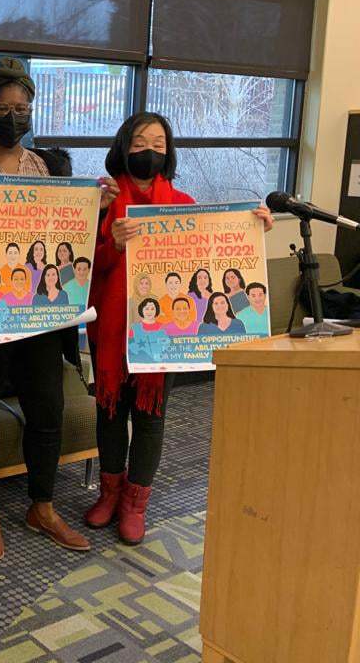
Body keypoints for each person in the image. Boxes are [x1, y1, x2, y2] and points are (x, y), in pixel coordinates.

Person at [0, 58, 118, 559]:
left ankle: (43, 506)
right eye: (3, 109)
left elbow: (71, 234)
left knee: (47, 409)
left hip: (42, 313)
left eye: (22, 108)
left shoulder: (52, 167)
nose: (13, 116)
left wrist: (95, 208)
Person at [84, 111, 271, 547]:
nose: (148, 151)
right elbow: (82, 270)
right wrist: (112, 243)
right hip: (111, 330)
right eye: (139, 143)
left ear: (168, 153)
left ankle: (135, 504)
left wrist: (253, 227)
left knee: (150, 417)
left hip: (163, 335)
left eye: (158, 144)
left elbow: (213, 262)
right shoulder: (103, 200)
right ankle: (108, 494)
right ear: (123, 147)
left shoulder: (183, 204)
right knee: (110, 414)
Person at [128, 298, 169, 362]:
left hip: (160, 361)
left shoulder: (163, 327)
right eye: (147, 309)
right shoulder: (134, 328)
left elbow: (167, 345)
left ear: (156, 310)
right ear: (141, 310)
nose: (149, 312)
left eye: (152, 309)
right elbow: (130, 346)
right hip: (140, 361)